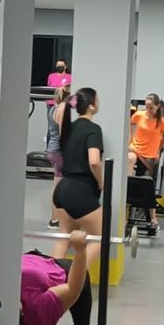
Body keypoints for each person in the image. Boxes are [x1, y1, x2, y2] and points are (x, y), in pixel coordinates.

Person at [21, 229, 94, 325]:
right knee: (84, 276)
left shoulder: (0, 287)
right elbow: (74, 288)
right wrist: (80, 251)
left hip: (29, 258)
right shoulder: (37, 309)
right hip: (51, 266)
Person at [52, 87, 105, 266]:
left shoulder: (69, 128)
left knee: (64, 237)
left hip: (62, 190)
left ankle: (52, 276)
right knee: (98, 237)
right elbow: (94, 161)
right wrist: (101, 182)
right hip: (80, 192)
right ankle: (75, 278)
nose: (99, 103)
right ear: (91, 106)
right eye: (97, 100)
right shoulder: (93, 129)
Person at [128, 93, 164, 236]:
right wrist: (130, 141)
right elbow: (130, 124)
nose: (148, 110)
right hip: (136, 151)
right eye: (146, 107)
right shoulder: (138, 115)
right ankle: (125, 211)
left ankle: (153, 219)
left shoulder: (162, 122)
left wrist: (158, 151)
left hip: (150, 156)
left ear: (158, 106)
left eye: (151, 107)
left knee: (147, 186)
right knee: (129, 160)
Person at [45, 84, 70, 229]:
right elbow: (63, 134)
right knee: (58, 186)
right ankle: (55, 220)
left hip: (53, 150)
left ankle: (57, 218)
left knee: (59, 185)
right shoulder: (63, 108)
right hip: (58, 151)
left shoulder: (55, 107)